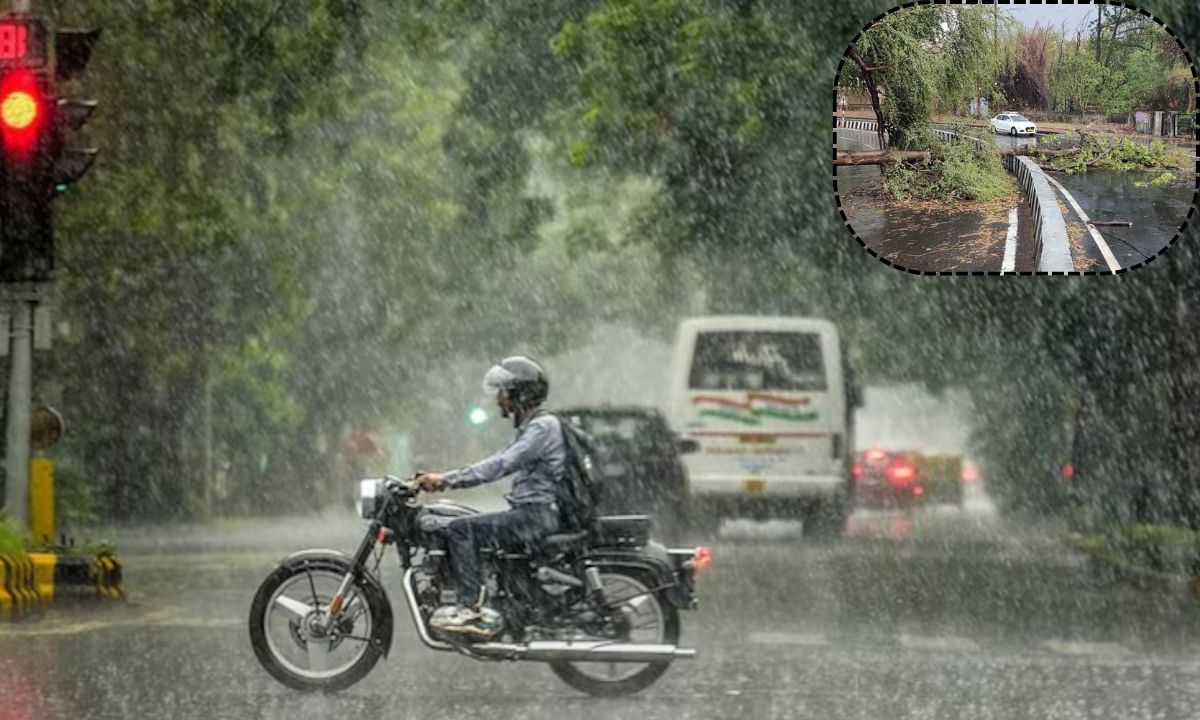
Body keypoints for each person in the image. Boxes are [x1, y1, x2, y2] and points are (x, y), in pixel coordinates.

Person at [414, 356, 566, 638]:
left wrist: (447, 480)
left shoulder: (542, 427)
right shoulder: (533, 426)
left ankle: (470, 609)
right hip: (535, 512)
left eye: (503, 392)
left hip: (536, 515)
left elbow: (502, 464)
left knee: (461, 529)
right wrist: (446, 478)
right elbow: (502, 457)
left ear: (520, 393)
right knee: (471, 526)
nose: (499, 400)